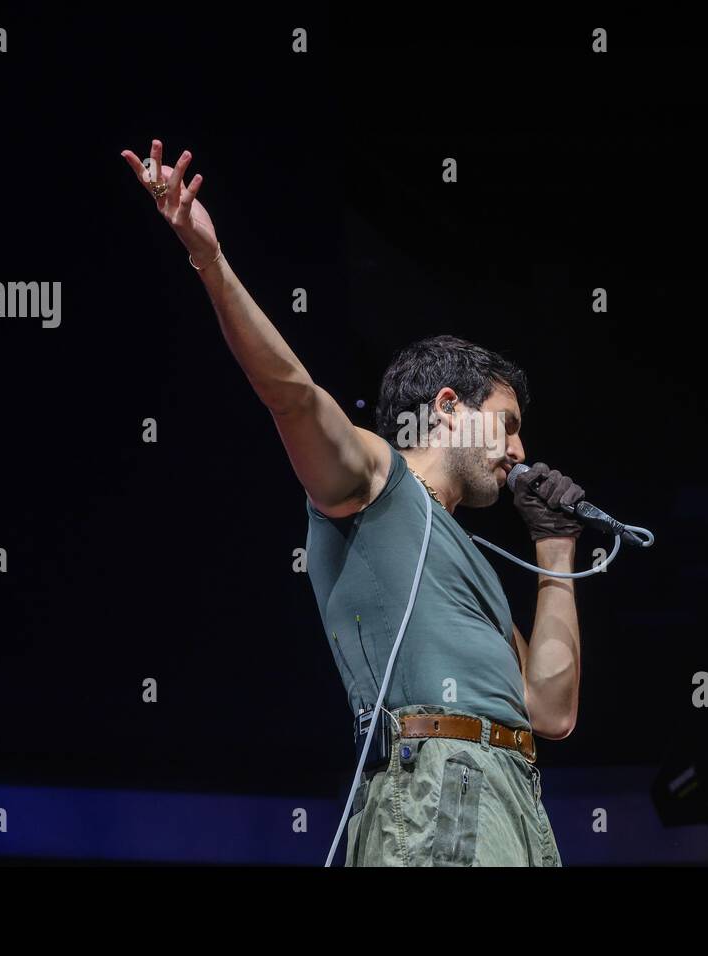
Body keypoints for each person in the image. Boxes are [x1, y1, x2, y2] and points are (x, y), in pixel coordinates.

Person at [122, 140, 586, 866]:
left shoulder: (480, 574)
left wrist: (556, 553)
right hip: (440, 789)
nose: (520, 452)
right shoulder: (378, 477)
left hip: (514, 798)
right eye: (511, 425)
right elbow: (291, 393)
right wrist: (209, 260)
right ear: (448, 407)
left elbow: (551, 714)